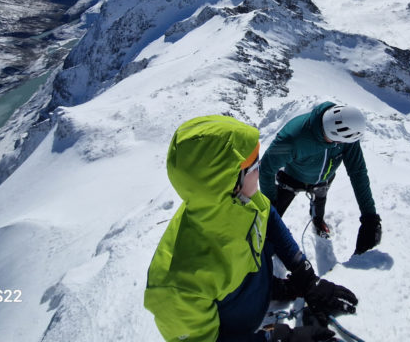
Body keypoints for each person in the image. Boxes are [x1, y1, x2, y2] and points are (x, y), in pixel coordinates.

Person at [144, 115, 358, 342]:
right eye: (254, 166)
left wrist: (304, 275)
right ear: (228, 181)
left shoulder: (241, 199)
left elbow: (270, 219)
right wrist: (276, 338)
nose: (261, 170)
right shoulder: (176, 285)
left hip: (254, 297)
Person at [259, 103, 382, 255]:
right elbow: (266, 167)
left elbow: (358, 172)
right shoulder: (293, 137)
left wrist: (370, 217)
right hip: (291, 178)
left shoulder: (346, 133)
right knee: (273, 216)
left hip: (323, 180)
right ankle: (268, 240)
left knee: (320, 203)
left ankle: (317, 221)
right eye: (338, 143)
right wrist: (270, 201)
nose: (341, 145)